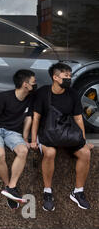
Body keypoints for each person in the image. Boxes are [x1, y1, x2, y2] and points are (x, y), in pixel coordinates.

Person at [31, 63, 94, 211]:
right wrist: (33, 140)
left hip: (67, 133)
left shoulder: (72, 94)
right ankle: (47, 192)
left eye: (70, 76)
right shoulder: (43, 93)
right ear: (55, 77)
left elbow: (78, 118)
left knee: (85, 153)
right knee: (50, 153)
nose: (69, 79)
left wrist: (83, 141)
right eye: (65, 76)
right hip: (47, 133)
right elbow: (36, 118)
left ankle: (78, 192)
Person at [0, 70, 36, 209]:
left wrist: (26, 139)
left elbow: (29, 118)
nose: (35, 84)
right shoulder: (4, 97)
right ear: (25, 84)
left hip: (13, 132)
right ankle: (8, 187)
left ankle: (11, 187)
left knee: (23, 151)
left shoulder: (30, 98)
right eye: (33, 82)